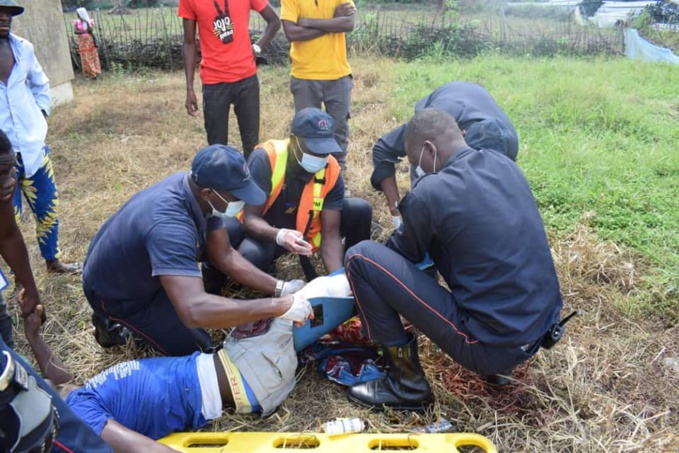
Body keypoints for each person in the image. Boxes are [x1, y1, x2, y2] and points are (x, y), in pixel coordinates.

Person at [344, 109, 563, 411]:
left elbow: (401, 254)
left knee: (361, 257)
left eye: (414, 161)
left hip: (487, 347)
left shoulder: (431, 191)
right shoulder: (503, 164)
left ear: (429, 150)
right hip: (540, 331)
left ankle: (405, 385)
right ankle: (501, 372)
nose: (417, 169)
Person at [83, 144, 308, 357]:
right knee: (200, 352)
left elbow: (225, 255)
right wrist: (277, 306)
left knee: (230, 232)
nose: (243, 202)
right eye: (238, 196)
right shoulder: (170, 226)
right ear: (208, 193)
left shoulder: (197, 191)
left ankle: (173, 293)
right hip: (119, 292)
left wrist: (281, 288)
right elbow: (194, 310)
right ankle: (113, 326)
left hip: (145, 268)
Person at [21, 303, 303, 452]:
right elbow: (148, 451)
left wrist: (33, 335)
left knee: (302, 309)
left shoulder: (76, 400)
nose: (32, 382)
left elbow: (60, 380)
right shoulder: (81, 417)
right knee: (300, 296)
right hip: (246, 373)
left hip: (235, 365)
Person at [239, 108, 372, 280]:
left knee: (359, 209)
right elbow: (250, 218)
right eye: (314, 150)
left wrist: (339, 281)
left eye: (325, 150)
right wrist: (280, 236)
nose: (321, 157)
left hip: (307, 229)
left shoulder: (331, 169)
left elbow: (330, 234)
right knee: (249, 256)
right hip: (269, 230)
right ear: (294, 141)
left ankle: (354, 273)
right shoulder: (266, 158)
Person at [0, 0, 81, 275]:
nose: (4, 18)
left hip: (33, 147)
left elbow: (40, 82)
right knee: (7, 219)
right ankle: (18, 275)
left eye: (8, 13)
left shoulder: (23, 48)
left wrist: (40, 115)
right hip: (2, 157)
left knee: (47, 208)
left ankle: (52, 261)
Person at [371, 81, 519, 228]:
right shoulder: (433, 124)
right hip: (452, 101)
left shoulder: (506, 149)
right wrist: (395, 209)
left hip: (479, 113)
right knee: (426, 193)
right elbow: (383, 149)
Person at [179, 0, 281, 158]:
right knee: (217, 148)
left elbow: (274, 21)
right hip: (214, 82)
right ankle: (221, 182)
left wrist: (257, 47)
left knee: (252, 146)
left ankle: (251, 181)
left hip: (246, 78)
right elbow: (189, 42)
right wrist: (189, 88)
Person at [280, 0, 355, 171]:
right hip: (304, 75)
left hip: (338, 74)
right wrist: (333, 23)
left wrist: (309, 22)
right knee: (305, 131)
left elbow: (348, 23)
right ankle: (304, 176)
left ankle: (337, 175)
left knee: (339, 129)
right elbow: (292, 33)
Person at [72, 7, 101, 80]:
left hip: (89, 42)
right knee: (84, 58)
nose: (77, 15)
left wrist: (86, 22)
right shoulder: (77, 22)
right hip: (82, 42)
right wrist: (85, 31)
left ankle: (95, 72)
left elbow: (90, 31)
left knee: (92, 56)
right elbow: (75, 32)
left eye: (78, 14)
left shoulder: (89, 21)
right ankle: (88, 74)